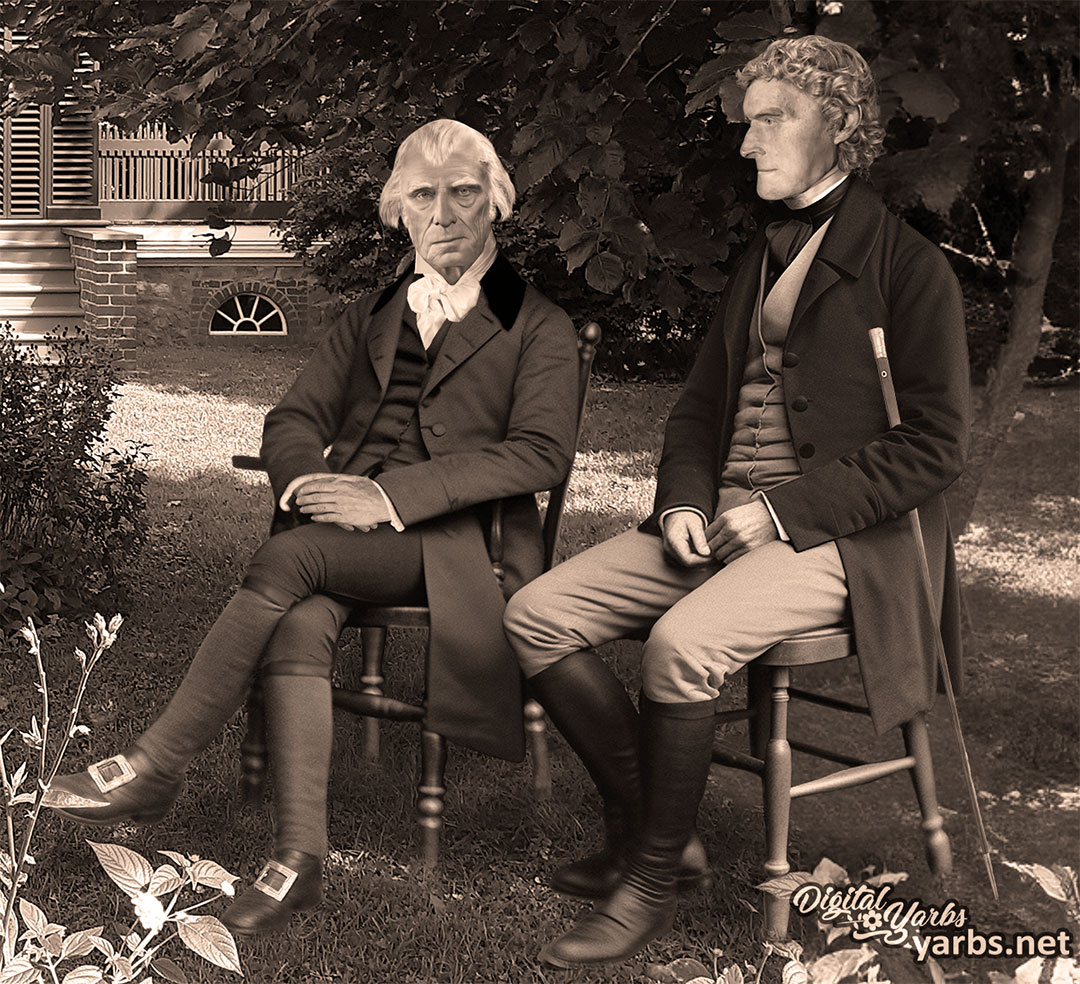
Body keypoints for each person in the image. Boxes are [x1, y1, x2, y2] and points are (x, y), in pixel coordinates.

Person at [45, 119, 581, 936]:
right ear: (398, 210)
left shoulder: (538, 323)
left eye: (465, 193)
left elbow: (540, 454)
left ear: (496, 204)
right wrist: (305, 479)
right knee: (298, 615)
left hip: (456, 543)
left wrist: (389, 497)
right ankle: (298, 862)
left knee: (289, 560)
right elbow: (294, 415)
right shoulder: (373, 313)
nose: (445, 214)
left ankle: (156, 764)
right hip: (346, 534)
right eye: (423, 196)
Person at [503, 36, 971, 969]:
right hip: (719, 518)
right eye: (747, 122)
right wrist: (681, 499)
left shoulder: (910, 268)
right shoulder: (760, 258)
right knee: (536, 613)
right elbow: (700, 410)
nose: (749, 142)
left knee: (682, 646)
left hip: (846, 540)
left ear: (838, 126)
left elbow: (935, 447)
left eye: (773, 119)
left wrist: (783, 513)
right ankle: (662, 842)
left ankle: (644, 887)